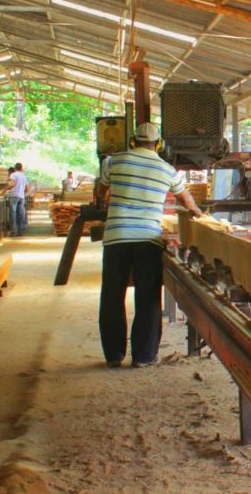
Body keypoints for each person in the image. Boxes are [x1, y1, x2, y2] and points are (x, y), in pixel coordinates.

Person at [93, 122, 203, 369]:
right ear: (159, 144)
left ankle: (113, 355)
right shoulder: (168, 170)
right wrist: (199, 214)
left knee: (112, 295)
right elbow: (186, 200)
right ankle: (143, 356)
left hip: (116, 237)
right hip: (148, 240)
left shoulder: (112, 162)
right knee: (148, 297)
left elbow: (101, 192)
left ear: (132, 141)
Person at [7, 163, 29, 236]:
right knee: (21, 214)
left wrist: (5, 189)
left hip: (14, 195)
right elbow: (27, 189)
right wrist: (21, 189)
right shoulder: (24, 176)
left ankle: (14, 231)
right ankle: (21, 231)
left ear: (15, 168)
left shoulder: (13, 175)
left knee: (13, 213)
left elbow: (12, 184)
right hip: (21, 197)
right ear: (21, 168)